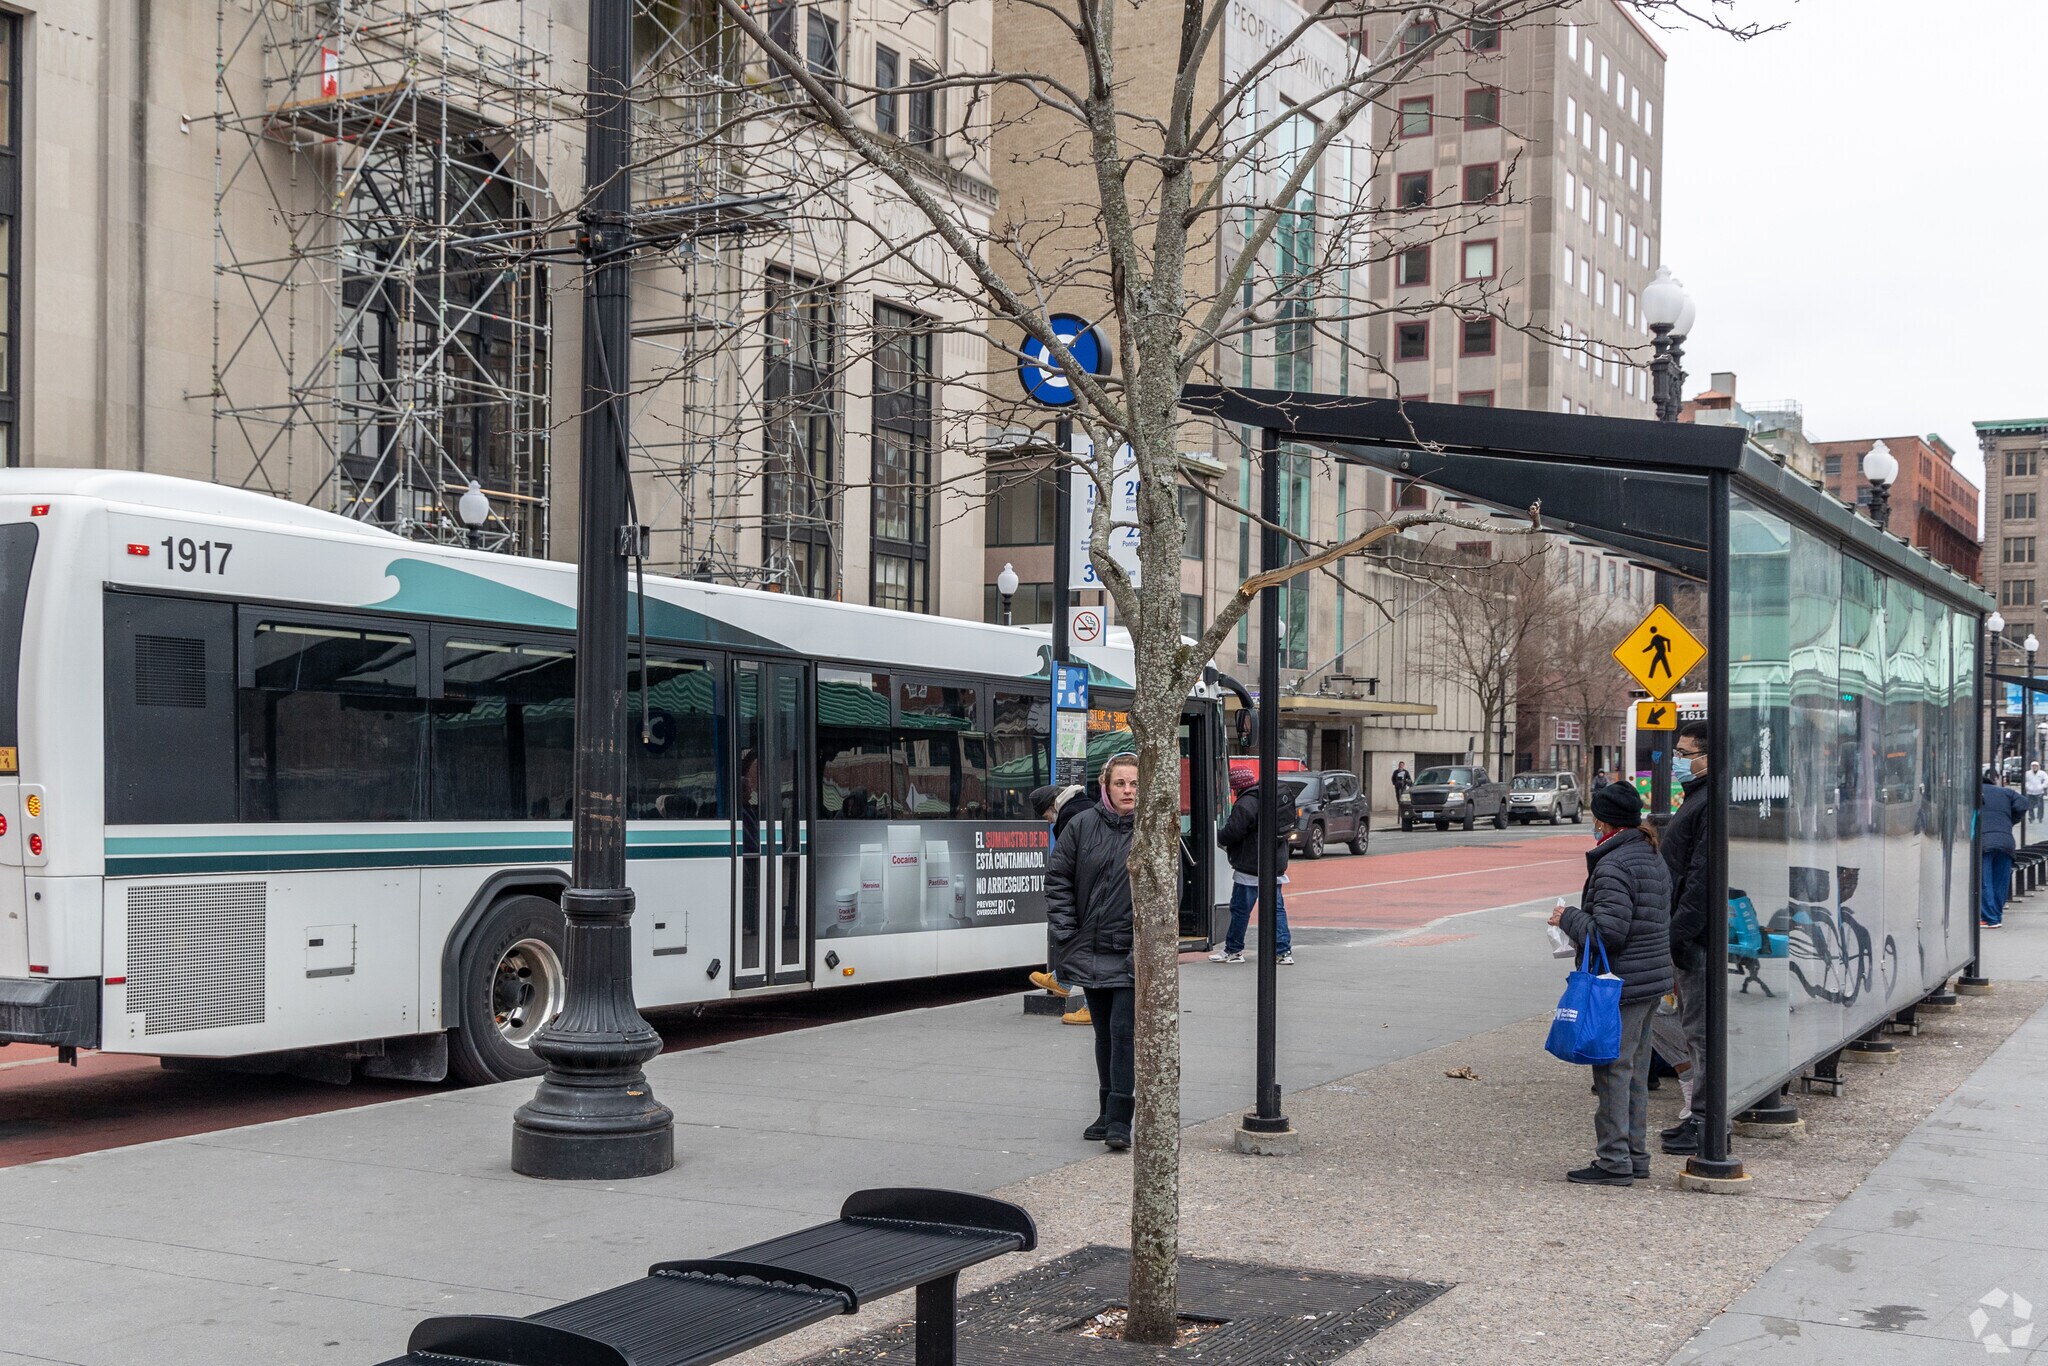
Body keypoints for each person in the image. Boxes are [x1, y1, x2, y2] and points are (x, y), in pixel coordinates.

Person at [1549, 781, 1673, 1186]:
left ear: (1603, 821)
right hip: (1650, 977)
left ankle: (1614, 1159)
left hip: (1622, 982)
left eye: (1594, 818)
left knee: (1613, 1072)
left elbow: (1608, 932)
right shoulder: (1648, 852)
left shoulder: (1615, 863)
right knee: (1634, 1070)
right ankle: (1635, 1154)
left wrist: (1566, 917)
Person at [1045, 754, 1140, 1149]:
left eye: (1135, 784)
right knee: (1103, 1032)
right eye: (1121, 783)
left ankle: (1120, 1119)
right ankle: (1105, 1112)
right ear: (1106, 785)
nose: (1129, 791)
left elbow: (1171, 893)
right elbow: (1058, 878)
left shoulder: (1151, 831)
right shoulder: (1082, 826)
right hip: (1089, 948)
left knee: (1122, 1032)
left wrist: (1144, 946)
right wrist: (1067, 933)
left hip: (1130, 952)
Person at [1659, 720, 1712, 1156]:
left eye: (1685, 753)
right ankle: (1700, 1113)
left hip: (1696, 939)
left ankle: (1704, 1119)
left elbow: (1699, 880)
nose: (1677, 760)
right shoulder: (1694, 799)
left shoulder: (1706, 803)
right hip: (1689, 933)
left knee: (1698, 1028)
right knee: (1691, 1025)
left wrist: (1678, 935)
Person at [1210, 767, 1296, 965]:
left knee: (1240, 909)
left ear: (1236, 786)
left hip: (1251, 864)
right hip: (1274, 863)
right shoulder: (1270, 795)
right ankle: (1283, 951)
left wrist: (1218, 836)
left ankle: (1233, 949)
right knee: (1276, 909)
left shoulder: (1247, 802)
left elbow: (1233, 831)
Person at [1027, 784, 1093, 1023]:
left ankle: (1086, 1002)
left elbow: (1070, 862)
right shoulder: (1082, 806)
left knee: (1088, 946)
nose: (1048, 821)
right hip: (1093, 891)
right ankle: (1062, 979)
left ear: (1051, 806)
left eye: (1045, 815)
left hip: (1088, 893)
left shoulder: (1071, 816)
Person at [1983, 768, 2026, 929]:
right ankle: (1997, 916)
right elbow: (2023, 803)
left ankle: (1989, 919)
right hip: (2006, 841)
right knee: (2000, 881)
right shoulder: (2006, 793)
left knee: (1984, 880)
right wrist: (2011, 820)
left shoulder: (1974, 794)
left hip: (1984, 842)